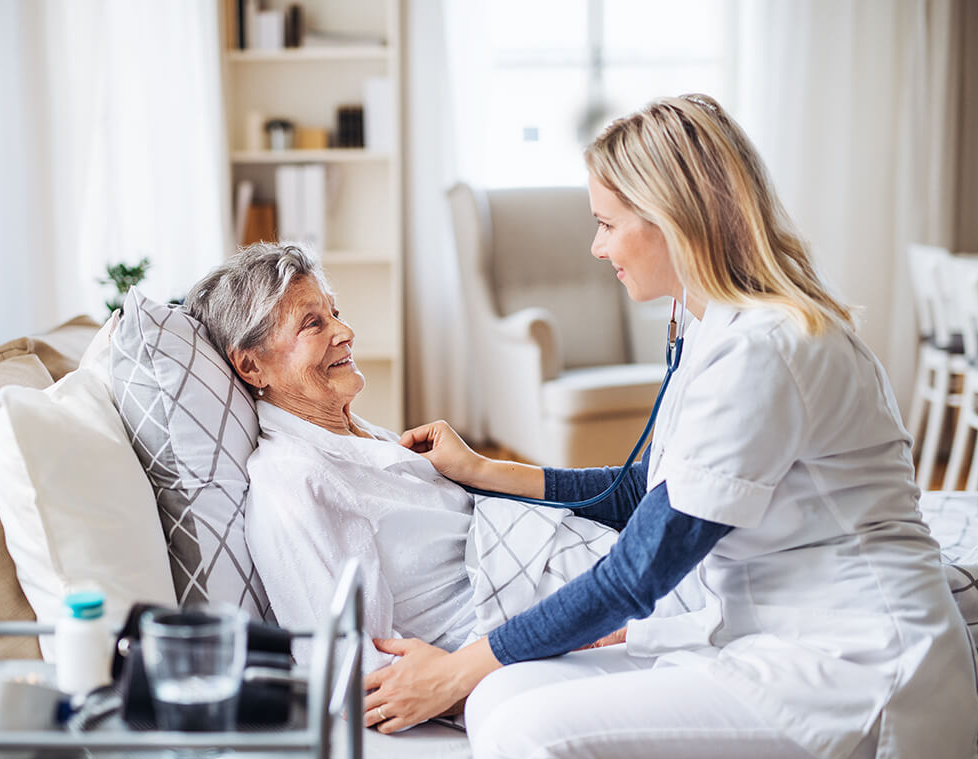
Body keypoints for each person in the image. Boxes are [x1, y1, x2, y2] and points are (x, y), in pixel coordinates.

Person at [361, 94, 978, 759]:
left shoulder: (766, 349)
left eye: (606, 224)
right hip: (767, 638)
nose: (597, 248)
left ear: (673, 222)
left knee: (519, 737)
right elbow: (641, 492)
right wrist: (480, 470)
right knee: (499, 699)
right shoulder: (711, 322)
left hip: (857, 674)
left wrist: (456, 666)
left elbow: (638, 573)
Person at [186, 243, 662, 674]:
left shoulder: (364, 437)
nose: (346, 331)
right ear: (250, 365)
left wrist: (478, 472)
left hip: (604, 571)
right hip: (572, 622)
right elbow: (355, 667)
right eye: (314, 323)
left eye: (335, 313)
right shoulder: (293, 482)